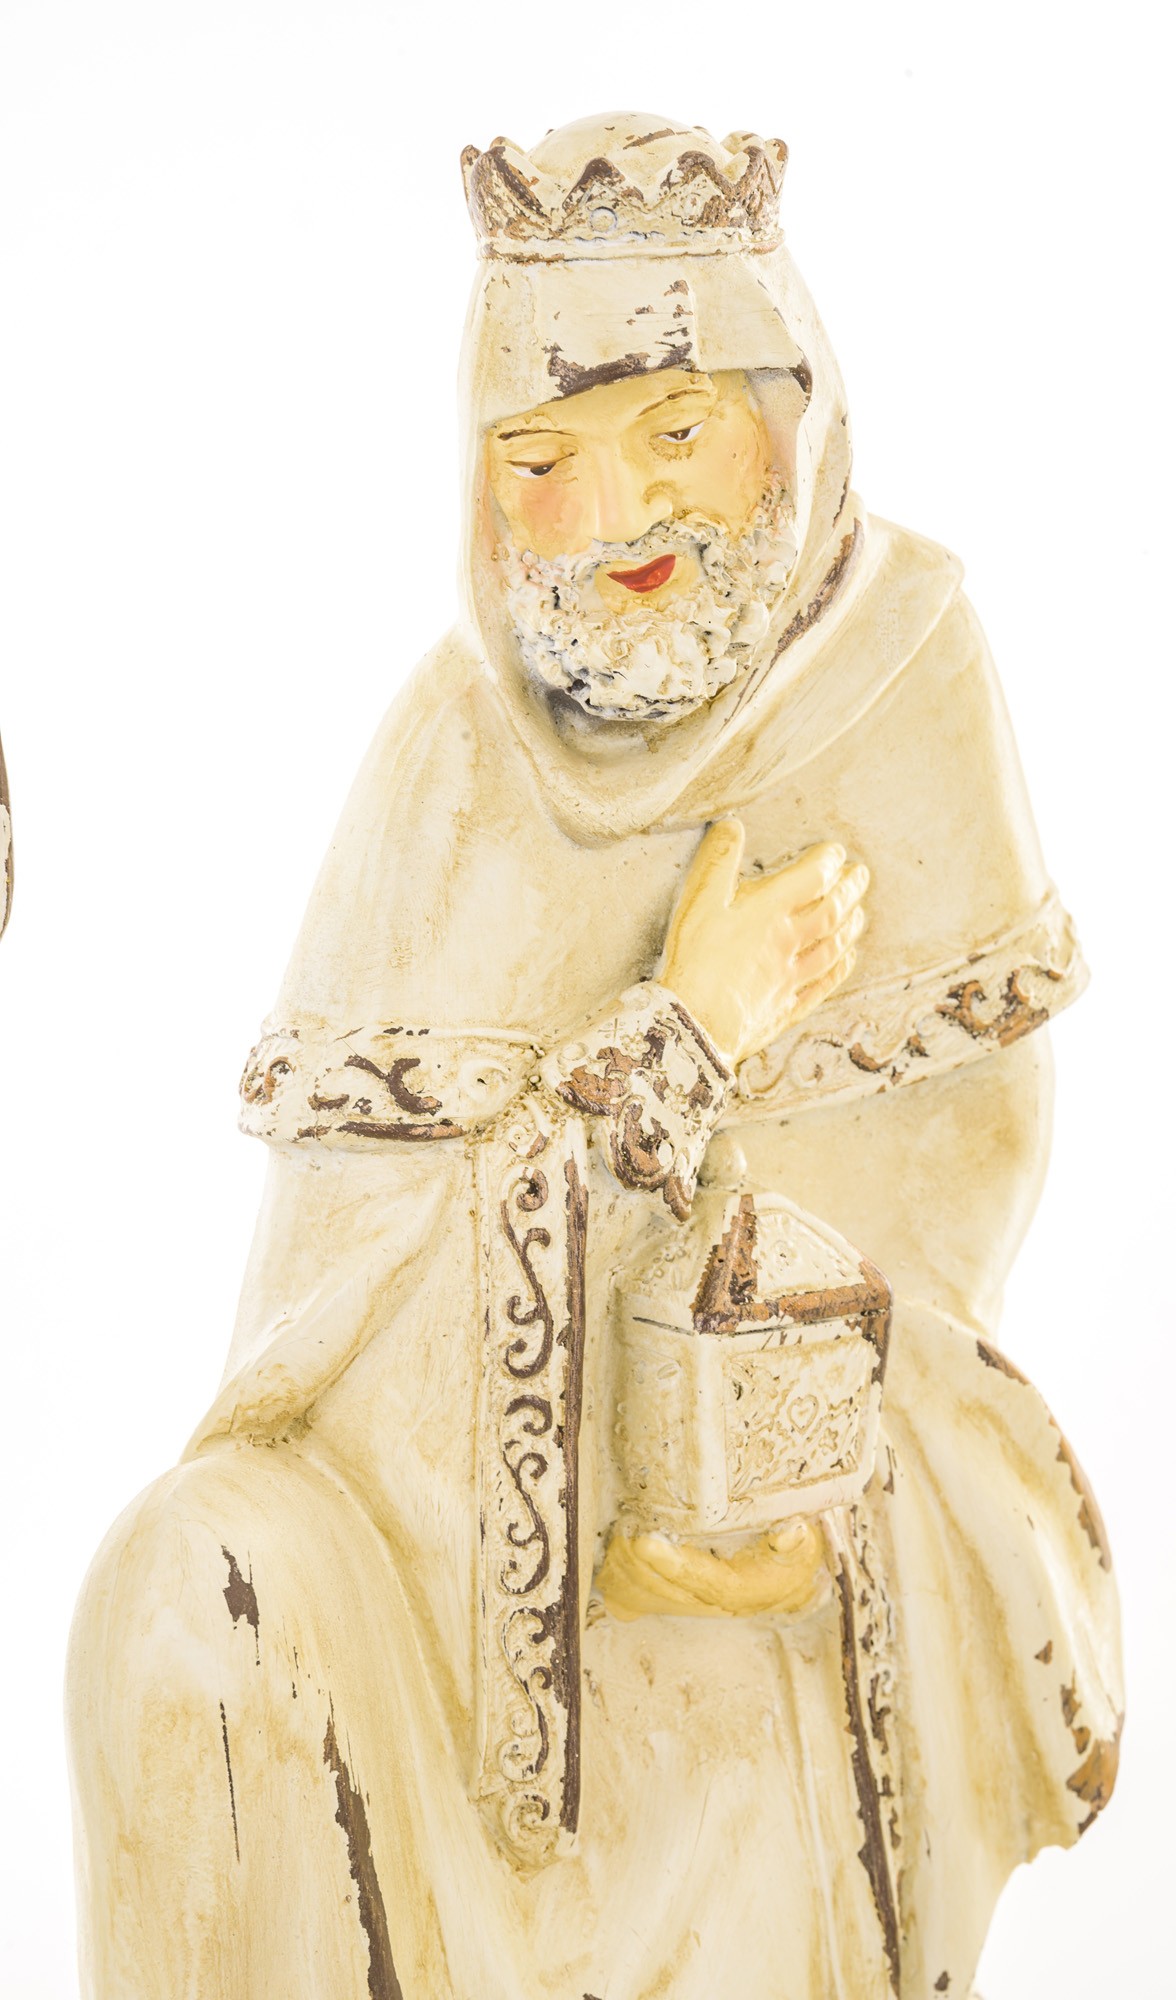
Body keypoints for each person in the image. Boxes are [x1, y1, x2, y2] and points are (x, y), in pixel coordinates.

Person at [67, 113, 1121, 2000]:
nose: (619, 513)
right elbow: (329, 1327)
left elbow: (956, 1210)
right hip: (437, 1588)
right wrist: (680, 1042)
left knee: (749, 1689)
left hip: (799, 1551)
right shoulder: (449, 756)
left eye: (677, 431)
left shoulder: (908, 674)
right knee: (178, 1581)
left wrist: (789, 1464)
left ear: (789, 414)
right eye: (543, 461)